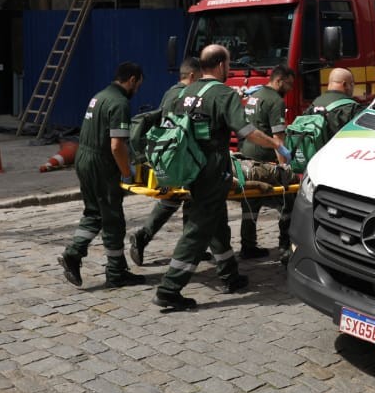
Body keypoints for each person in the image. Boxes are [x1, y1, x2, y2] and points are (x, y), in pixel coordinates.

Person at [153, 44, 289, 311]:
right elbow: (247, 131)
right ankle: (169, 288)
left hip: (190, 165)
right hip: (213, 169)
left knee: (216, 221)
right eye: (229, 63)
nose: (230, 68)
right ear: (220, 65)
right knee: (199, 228)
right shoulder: (224, 94)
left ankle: (230, 275)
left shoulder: (186, 91)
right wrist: (276, 145)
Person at [58, 61, 147, 289]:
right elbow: (117, 146)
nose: (137, 91)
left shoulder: (99, 96)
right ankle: (104, 268)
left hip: (84, 158)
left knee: (94, 213)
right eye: (138, 86)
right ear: (132, 80)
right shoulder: (119, 103)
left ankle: (96, 262)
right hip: (102, 164)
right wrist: (127, 173)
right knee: (112, 218)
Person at [281, 66, 361, 263]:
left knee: (303, 209)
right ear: (345, 85)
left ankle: (288, 248)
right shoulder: (351, 108)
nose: (352, 89)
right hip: (338, 174)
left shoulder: (314, 104)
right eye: (351, 85)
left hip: (312, 169)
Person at [128, 56, 201, 267]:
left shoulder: (170, 91)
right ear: (193, 75)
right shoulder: (187, 95)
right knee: (191, 199)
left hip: (166, 153)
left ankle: (145, 236)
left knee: (173, 199)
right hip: (182, 155)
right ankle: (188, 247)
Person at [237, 65, 297, 260]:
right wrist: (284, 168)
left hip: (247, 156)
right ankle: (285, 247)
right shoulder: (275, 101)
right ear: (279, 80)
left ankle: (248, 245)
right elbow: (278, 140)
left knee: (250, 203)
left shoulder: (255, 96)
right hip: (265, 161)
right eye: (289, 84)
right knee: (288, 201)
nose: (290, 89)